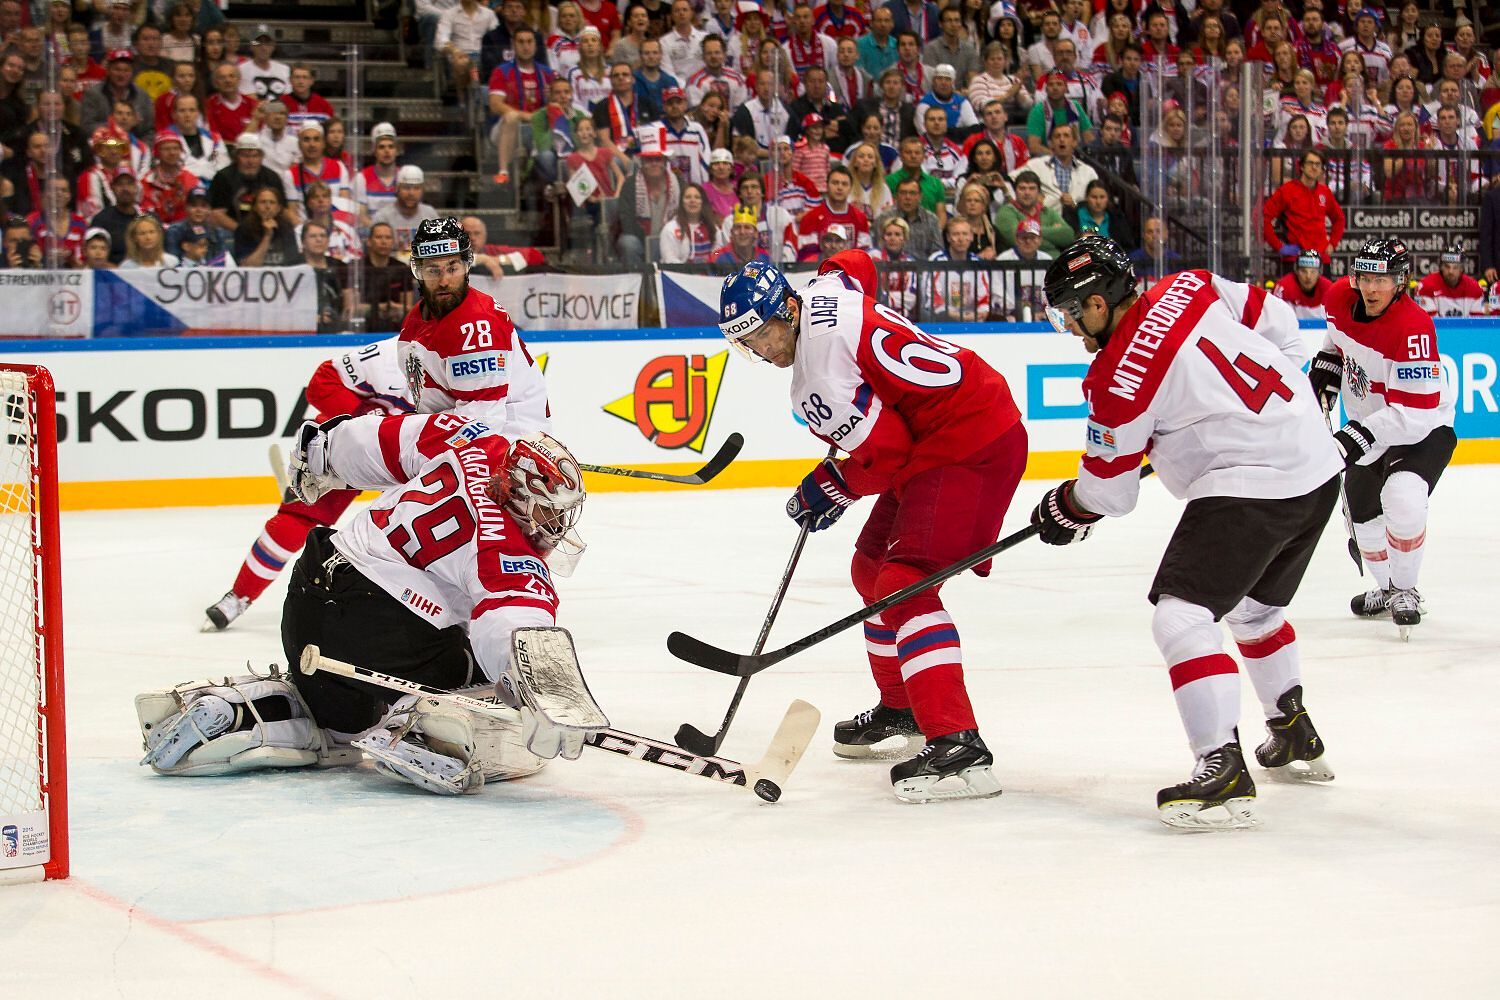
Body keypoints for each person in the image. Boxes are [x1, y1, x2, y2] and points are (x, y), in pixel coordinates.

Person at [1036, 234, 1343, 830]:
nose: (1072, 329)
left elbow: (1110, 494)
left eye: (1071, 314)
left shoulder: (1115, 380)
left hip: (1252, 487)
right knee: (1254, 612)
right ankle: (1292, 728)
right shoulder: (1192, 285)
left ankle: (1221, 767)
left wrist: (1065, 506)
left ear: (1098, 304)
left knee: (1181, 617)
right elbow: (1279, 324)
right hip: (1317, 463)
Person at [717, 255, 1026, 803]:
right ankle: (901, 705)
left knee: (903, 585)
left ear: (788, 308)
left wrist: (830, 486)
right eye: (749, 343)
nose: (764, 351)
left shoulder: (820, 384)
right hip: (941, 436)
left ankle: (959, 745)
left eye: (766, 333)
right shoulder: (826, 288)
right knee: (869, 569)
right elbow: (854, 264)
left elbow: (886, 456)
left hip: (968, 444)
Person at [148, 417, 590, 796]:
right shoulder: (507, 550)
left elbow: (376, 440)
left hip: (309, 594)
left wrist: (322, 456)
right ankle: (418, 732)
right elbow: (516, 624)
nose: (554, 525)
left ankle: (248, 711)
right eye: (551, 513)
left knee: (341, 724)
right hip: (384, 636)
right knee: (495, 697)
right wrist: (548, 697)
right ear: (522, 498)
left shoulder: (471, 439)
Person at [1313, 238, 1456, 637]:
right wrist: (1327, 365)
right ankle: (1388, 587)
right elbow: (1337, 338)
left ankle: (1407, 589)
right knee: (1361, 521)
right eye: (1365, 277)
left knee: (1402, 498)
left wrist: (1356, 434)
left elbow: (1413, 415)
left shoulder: (1414, 329)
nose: (1372, 288)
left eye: (1384, 279)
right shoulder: (1341, 297)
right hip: (1371, 425)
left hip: (1423, 428)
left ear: (1401, 282)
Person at [1261, 149, 1345, 267]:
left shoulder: (1325, 192)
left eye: (1318, 164)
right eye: (1310, 163)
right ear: (1301, 167)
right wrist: (1279, 247)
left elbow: (1339, 218)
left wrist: (1333, 243)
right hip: (1295, 258)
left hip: (1321, 258)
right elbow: (1263, 217)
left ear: (1322, 170)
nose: (1314, 167)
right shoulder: (1287, 190)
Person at [370, 165, 439, 258]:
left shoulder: (430, 214)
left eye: (416, 188)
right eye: (406, 188)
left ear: (422, 190)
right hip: (392, 269)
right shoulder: (382, 217)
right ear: (397, 189)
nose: (411, 193)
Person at [357, 222, 414, 333]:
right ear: (369, 241)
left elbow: (409, 307)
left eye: (388, 237)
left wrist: (396, 308)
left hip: (396, 327)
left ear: (393, 242)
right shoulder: (357, 268)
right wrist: (381, 307)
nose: (383, 242)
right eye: (379, 237)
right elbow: (351, 308)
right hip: (365, 327)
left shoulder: (402, 269)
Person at [233, 184, 300, 265]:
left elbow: (293, 264)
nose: (267, 206)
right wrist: (267, 236)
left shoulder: (286, 228)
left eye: (272, 202)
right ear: (255, 207)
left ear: (278, 208)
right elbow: (247, 267)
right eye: (263, 202)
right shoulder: (243, 229)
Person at [1272, 249, 1333, 319]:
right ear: (1296, 271)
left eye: (1313, 271)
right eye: (1303, 271)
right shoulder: (1283, 288)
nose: (1308, 276)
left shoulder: (1329, 289)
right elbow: (1275, 318)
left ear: (1320, 273)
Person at [711, 204, 770, 273]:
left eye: (747, 227)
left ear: (756, 233)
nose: (742, 232)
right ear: (731, 233)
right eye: (738, 227)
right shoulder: (717, 257)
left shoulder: (765, 257)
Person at [239, 23, 290, 100]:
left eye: (267, 43)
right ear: (251, 46)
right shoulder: (241, 70)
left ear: (273, 46)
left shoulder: (285, 69)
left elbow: (288, 98)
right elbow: (247, 99)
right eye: (258, 43)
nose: (263, 47)